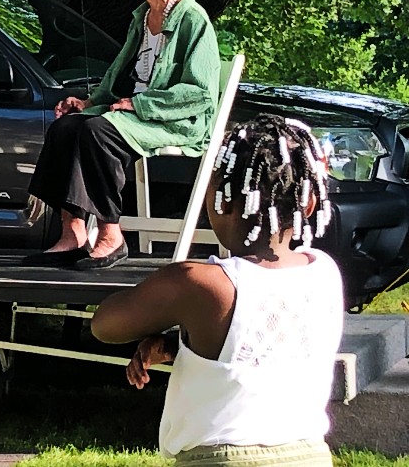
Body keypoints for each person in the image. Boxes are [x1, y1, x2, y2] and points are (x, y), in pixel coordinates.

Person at [90, 114, 343, 466]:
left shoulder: (198, 282)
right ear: (309, 203)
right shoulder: (324, 273)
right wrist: (177, 348)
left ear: (218, 201)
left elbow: (105, 324)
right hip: (310, 453)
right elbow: (262, 356)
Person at [23, 0, 220, 269]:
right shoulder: (142, 17)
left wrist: (141, 105)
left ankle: (111, 235)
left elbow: (200, 94)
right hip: (132, 115)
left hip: (173, 121)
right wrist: (87, 103)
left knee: (97, 132)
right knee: (66, 128)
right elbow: (118, 74)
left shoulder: (194, 20)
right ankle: (73, 234)